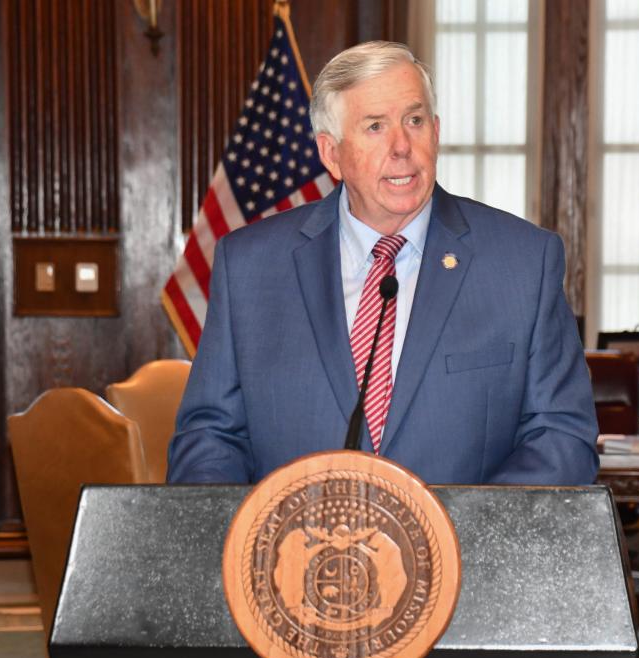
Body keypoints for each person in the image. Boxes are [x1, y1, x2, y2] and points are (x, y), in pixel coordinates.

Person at [167, 41, 598, 486]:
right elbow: (210, 437)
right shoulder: (251, 267)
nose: (401, 146)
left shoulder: (523, 263)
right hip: (293, 551)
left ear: (436, 131)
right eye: (375, 126)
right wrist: (255, 542)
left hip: (465, 553)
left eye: (414, 121)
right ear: (331, 153)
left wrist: (455, 538)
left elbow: (561, 436)